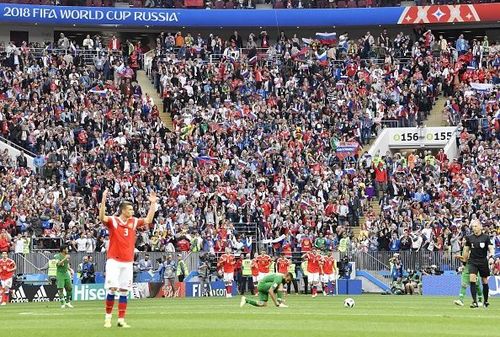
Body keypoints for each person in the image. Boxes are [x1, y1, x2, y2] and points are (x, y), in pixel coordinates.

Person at [99, 188, 157, 328]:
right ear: (123, 210)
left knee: (124, 291)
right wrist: (103, 200)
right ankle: (108, 318)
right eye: (130, 209)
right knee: (113, 289)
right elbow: (102, 218)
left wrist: (153, 204)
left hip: (128, 262)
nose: (132, 212)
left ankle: (121, 319)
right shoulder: (113, 221)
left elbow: (149, 219)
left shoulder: (134, 221)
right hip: (114, 260)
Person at [461, 219, 494, 308]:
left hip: (483, 261)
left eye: (476, 226)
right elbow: (466, 251)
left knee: (484, 281)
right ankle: (474, 301)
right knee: (472, 279)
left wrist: (491, 257)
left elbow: (491, 248)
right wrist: (464, 263)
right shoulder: (469, 238)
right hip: (473, 261)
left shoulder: (486, 237)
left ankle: (486, 301)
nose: (474, 228)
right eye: (473, 227)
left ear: (480, 227)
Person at [454, 238, 483, 306]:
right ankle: (460, 300)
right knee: (463, 284)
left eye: (464, 240)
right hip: (466, 269)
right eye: (462, 240)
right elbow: (465, 260)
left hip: (474, 268)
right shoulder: (464, 248)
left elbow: (468, 258)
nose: (463, 241)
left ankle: (480, 300)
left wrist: (459, 257)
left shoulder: (472, 249)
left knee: (477, 285)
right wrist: (460, 259)